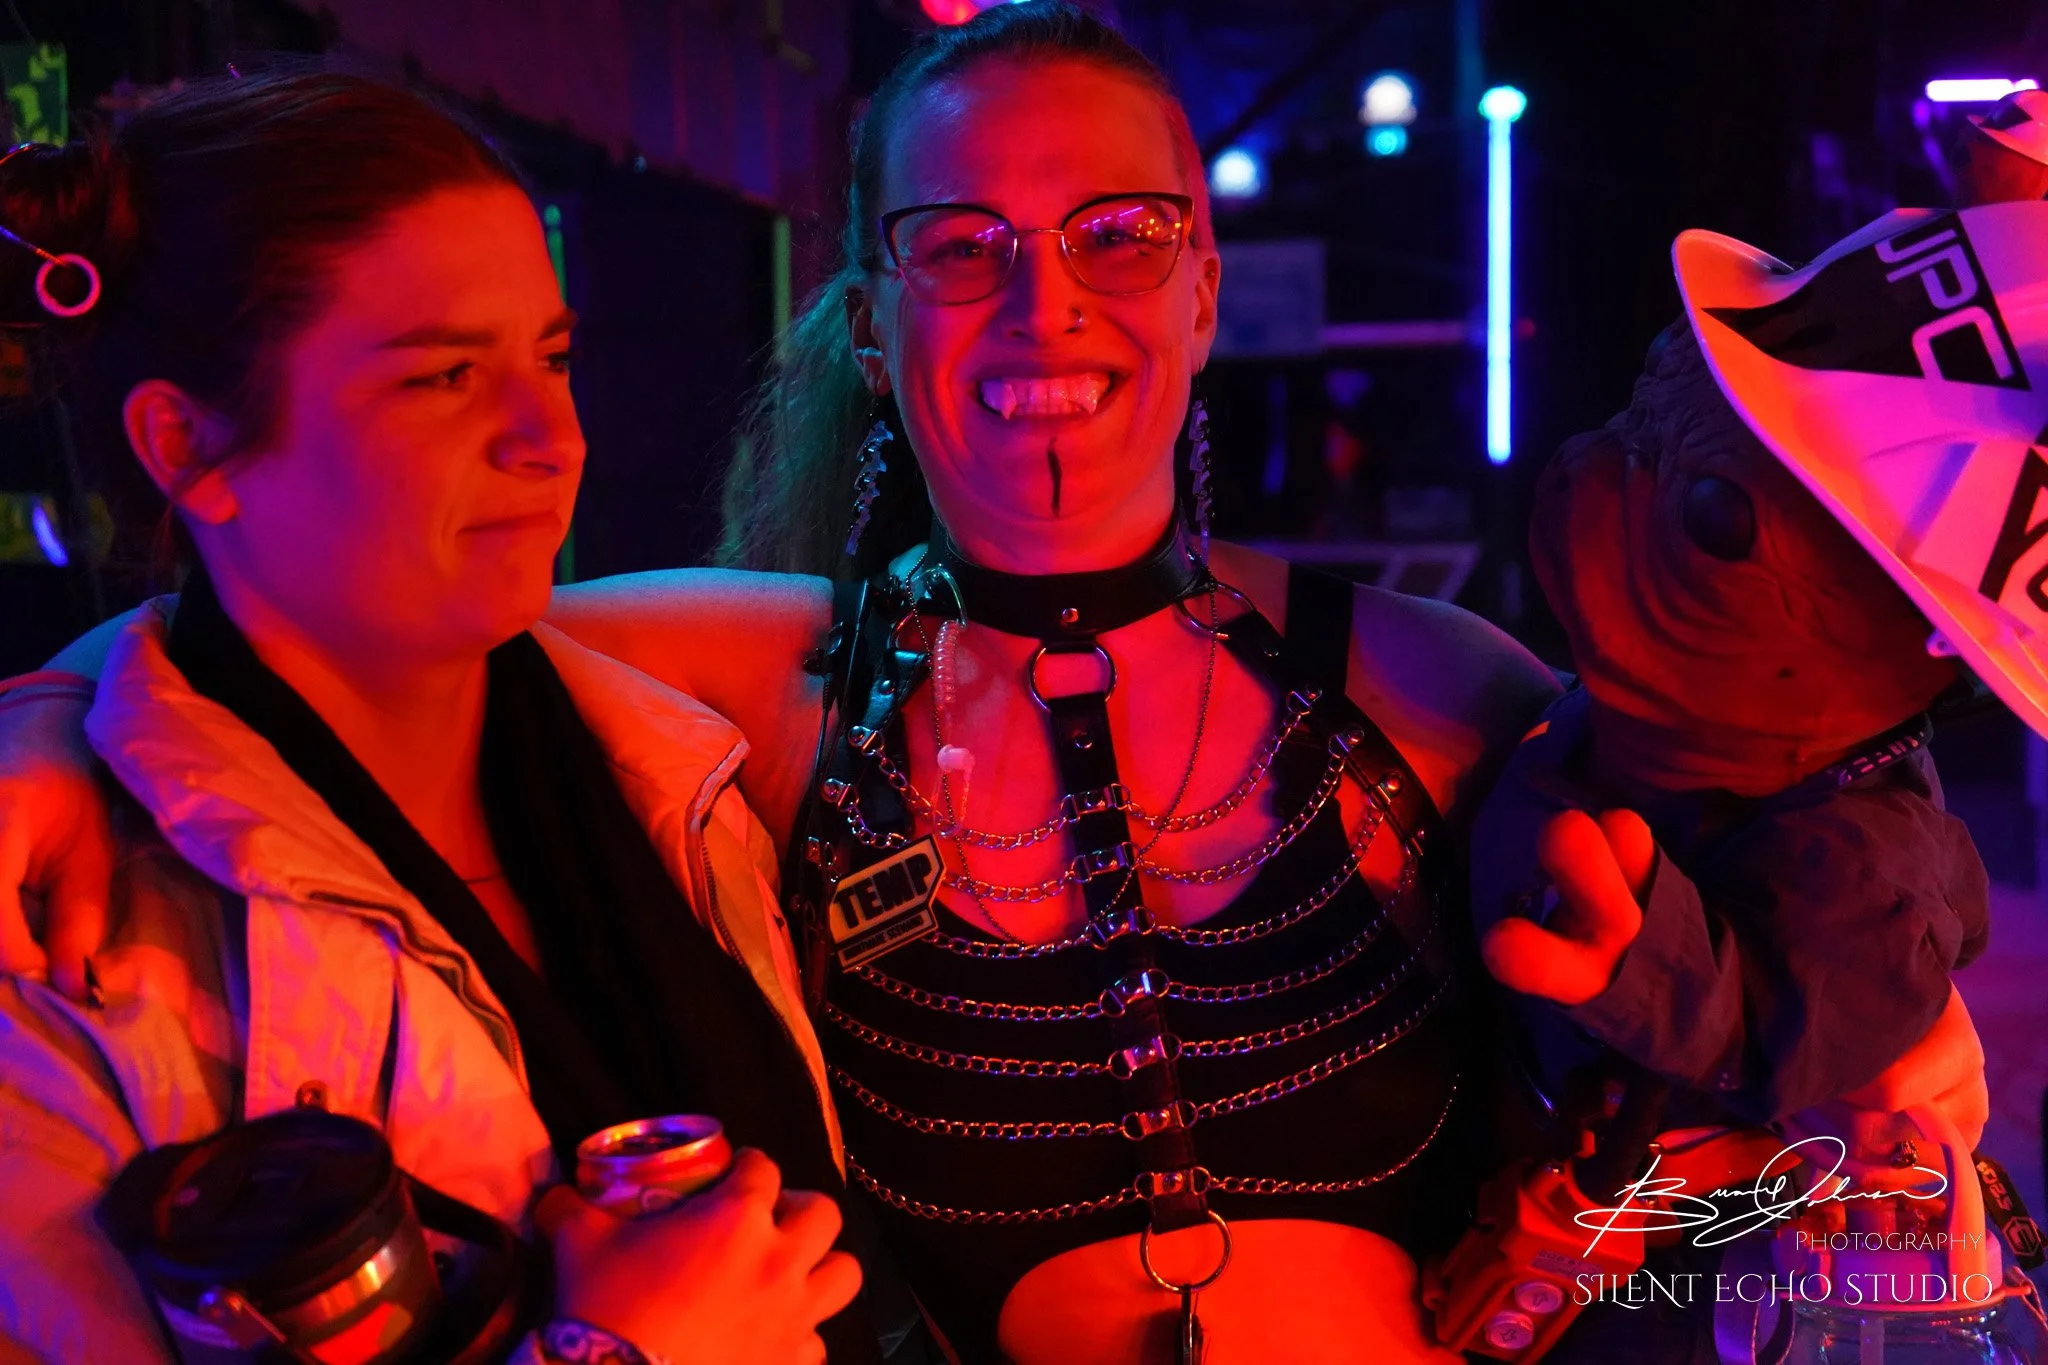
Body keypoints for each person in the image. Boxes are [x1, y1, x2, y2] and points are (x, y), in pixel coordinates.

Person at [0, 8, 1567, 1361]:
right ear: (872, 326)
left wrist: (1628, 1213)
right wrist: (53, 740)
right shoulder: (755, 678)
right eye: (962, 246)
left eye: (1120, 232)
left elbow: (1698, 1048)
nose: (1048, 304)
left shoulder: (1434, 691)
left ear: (1204, 288)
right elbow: (319, 628)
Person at [0, 73, 862, 1364]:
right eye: (445, 376)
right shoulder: (61, 960)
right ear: (185, 445)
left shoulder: (670, 769)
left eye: (552, 358)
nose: (549, 437)